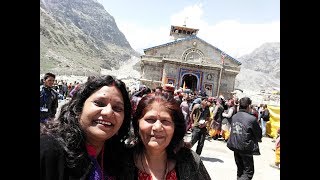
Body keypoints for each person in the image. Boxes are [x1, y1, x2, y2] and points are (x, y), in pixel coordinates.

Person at [40, 75, 132, 180]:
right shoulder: (48, 151)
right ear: (78, 108)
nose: (108, 112)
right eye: (99, 103)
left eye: (117, 108)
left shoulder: (120, 158)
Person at [119, 92, 211, 179]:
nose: (157, 127)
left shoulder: (191, 162)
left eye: (165, 121)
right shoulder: (120, 162)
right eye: (150, 119)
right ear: (137, 123)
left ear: (175, 127)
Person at [227, 97, 262, 180]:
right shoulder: (252, 119)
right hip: (245, 148)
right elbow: (258, 134)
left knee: (240, 170)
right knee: (248, 173)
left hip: (235, 145)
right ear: (248, 106)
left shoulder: (235, 116)